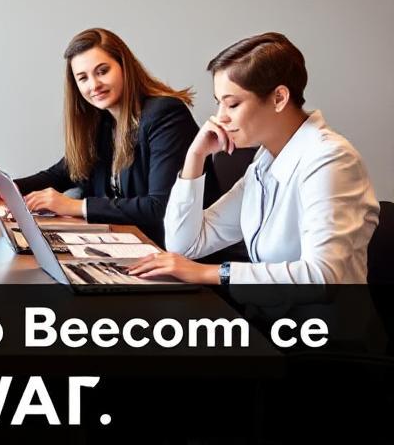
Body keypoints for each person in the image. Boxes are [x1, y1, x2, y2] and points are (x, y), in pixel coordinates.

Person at [129, 32, 379, 284]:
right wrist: (195, 157)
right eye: (219, 103)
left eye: (233, 104)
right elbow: (184, 245)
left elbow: (321, 276)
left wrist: (208, 272)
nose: (220, 117)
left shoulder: (331, 160)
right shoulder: (265, 160)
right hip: (270, 318)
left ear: (279, 98)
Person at [0, 27, 203, 247]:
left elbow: (160, 206)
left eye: (102, 71)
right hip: (123, 243)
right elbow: (65, 172)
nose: (94, 85)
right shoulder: (103, 121)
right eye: (83, 78)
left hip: (163, 250)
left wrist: (76, 206)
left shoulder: (165, 115)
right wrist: (11, 189)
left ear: (125, 67)